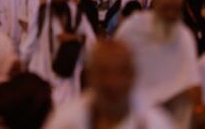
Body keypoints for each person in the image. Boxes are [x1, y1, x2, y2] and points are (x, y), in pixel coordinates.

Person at [115, 0, 202, 127]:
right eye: (166, 8)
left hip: (173, 104)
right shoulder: (132, 28)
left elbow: (193, 80)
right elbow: (114, 60)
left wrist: (198, 111)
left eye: (175, 9)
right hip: (136, 103)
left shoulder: (184, 36)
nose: (170, 14)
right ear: (154, 6)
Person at [43, 39, 173, 129]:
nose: (113, 83)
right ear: (90, 76)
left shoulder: (155, 123)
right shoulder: (66, 121)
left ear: (132, 75)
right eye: (103, 72)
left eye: (121, 72)